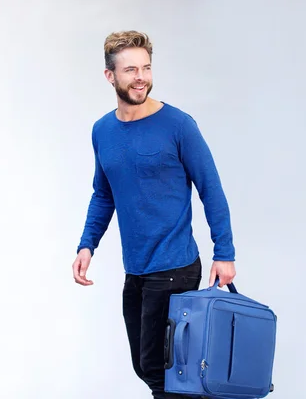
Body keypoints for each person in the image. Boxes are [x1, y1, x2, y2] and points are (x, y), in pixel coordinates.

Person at [72, 30, 236, 398]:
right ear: (110, 76)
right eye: (130, 69)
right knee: (145, 365)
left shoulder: (178, 125)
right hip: (137, 267)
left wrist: (224, 252)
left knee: (160, 368)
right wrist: (87, 245)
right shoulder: (102, 131)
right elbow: (103, 195)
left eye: (146, 67)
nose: (141, 77)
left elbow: (211, 188)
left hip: (175, 265)